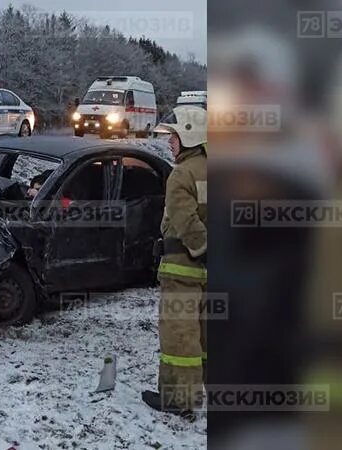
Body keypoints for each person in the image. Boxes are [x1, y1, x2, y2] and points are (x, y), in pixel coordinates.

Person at [141, 105, 207, 418]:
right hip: (208, 273)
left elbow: (185, 219)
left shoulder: (182, 173)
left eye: (174, 136)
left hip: (183, 267)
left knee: (178, 334)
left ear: (190, 136)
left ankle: (179, 399)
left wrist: (203, 248)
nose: (169, 142)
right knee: (204, 332)